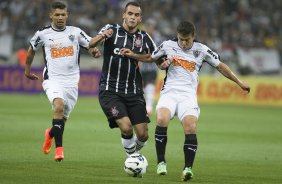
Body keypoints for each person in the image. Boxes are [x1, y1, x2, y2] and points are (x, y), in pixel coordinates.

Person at [151, 21, 251, 181]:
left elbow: (220, 66)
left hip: (188, 95)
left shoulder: (202, 50)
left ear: (193, 36)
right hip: (169, 92)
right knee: (162, 119)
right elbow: (153, 58)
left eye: (187, 40)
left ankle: (187, 169)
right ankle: (161, 162)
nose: (183, 43)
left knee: (190, 127)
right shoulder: (167, 45)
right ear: (177, 36)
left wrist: (239, 83)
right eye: (181, 39)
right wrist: (161, 64)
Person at [24, 1, 100, 162]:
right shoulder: (42, 34)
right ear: (51, 15)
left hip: (72, 82)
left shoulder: (76, 32)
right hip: (53, 79)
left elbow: (91, 44)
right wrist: (27, 70)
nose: (60, 17)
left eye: (63, 14)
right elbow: (31, 50)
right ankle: (59, 150)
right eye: (57, 14)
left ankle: (50, 133)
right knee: (58, 106)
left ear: (67, 15)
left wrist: (94, 51)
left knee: (62, 120)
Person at [89, 1, 156, 158]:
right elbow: (91, 44)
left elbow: (153, 57)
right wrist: (101, 37)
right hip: (110, 91)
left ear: (140, 18)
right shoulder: (111, 30)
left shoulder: (144, 37)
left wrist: (134, 55)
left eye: (136, 15)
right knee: (126, 127)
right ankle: (132, 160)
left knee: (143, 134)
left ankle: (133, 154)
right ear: (124, 15)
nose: (133, 17)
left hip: (133, 92)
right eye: (130, 14)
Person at [139, 18, 163, 116]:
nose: (149, 28)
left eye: (151, 26)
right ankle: (144, 107)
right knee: (142, 89)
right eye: (148, 26)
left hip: (152, 68)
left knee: (150, 86)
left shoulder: (158, 38)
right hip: (141, 68)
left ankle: (148, 108)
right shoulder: (140, 37)